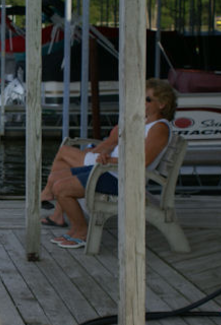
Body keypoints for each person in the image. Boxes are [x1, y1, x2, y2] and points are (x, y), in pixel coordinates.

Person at [51, 78, 176, 249]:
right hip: (112, 171)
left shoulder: (159, 127)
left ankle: (81, 231)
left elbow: (144, 161)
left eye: (147, 99)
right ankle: (71, 225)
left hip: (123, 179)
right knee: (58, 177)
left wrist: (111, 160)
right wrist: (108, 153)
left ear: (162, 104)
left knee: (61, 188)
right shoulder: (145, 123)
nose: (141, 102)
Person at [40, 126, 119, 227]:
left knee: (64, 151)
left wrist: (92, 152)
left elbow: (109, 144)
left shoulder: (132, 122)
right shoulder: (135, 121)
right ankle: (57, 215)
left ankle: (48, 193)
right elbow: (110, 145)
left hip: (107, 166)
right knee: (63, 164)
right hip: (107, 162)